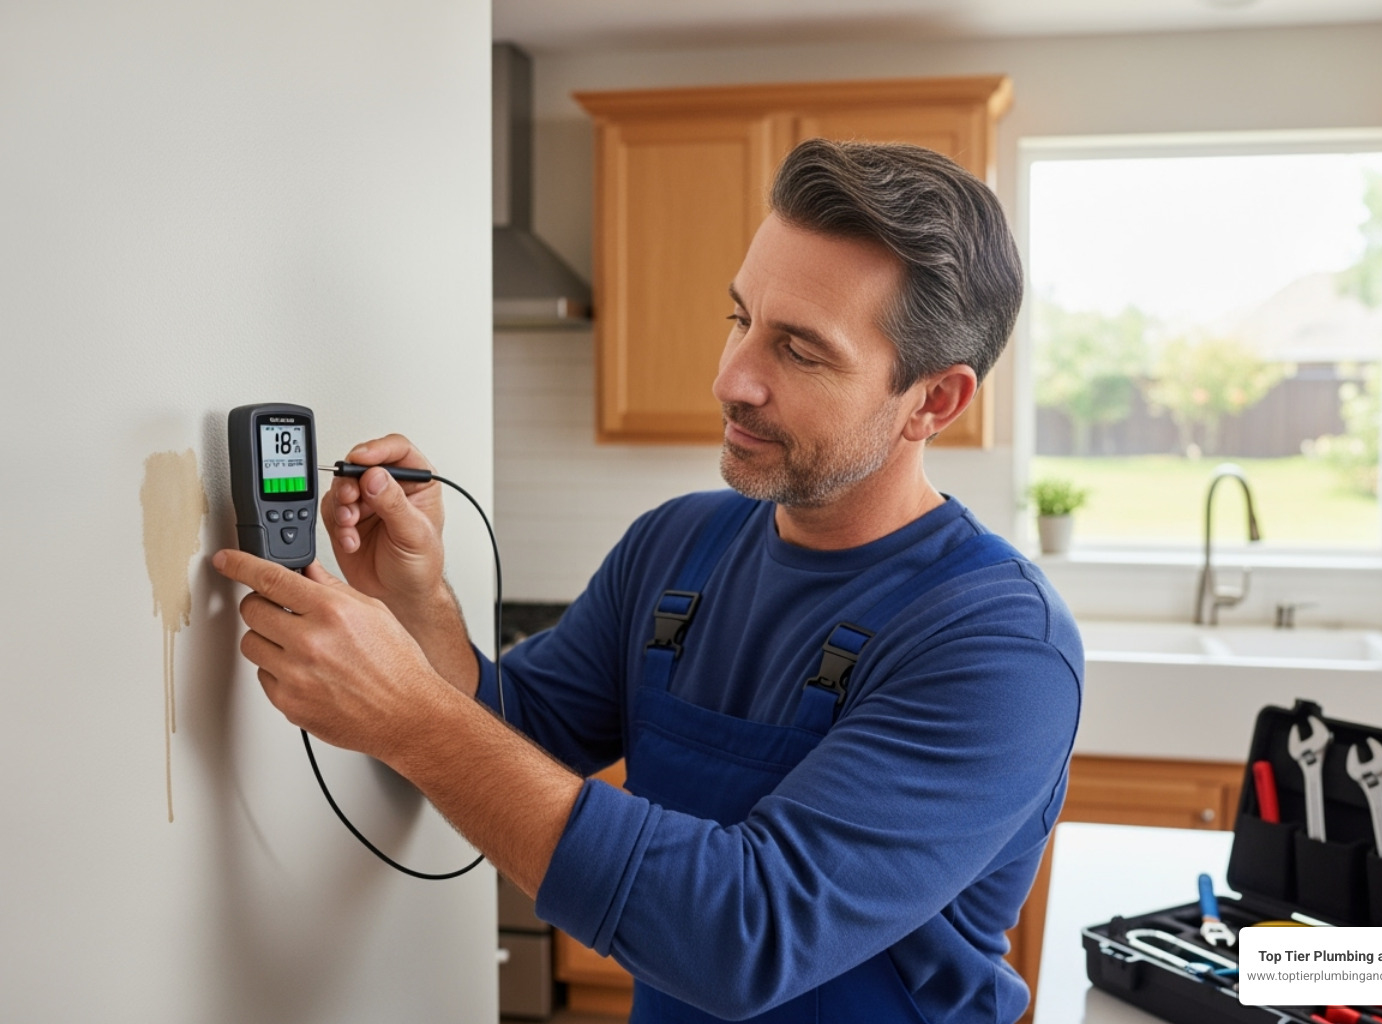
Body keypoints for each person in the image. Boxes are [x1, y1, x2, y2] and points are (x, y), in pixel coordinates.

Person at [213, 138, 1083, 1024]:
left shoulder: (1001, 647)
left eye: (801, 351)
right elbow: (519, 738)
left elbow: (744, 935)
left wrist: (408, 713)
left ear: (933, 402)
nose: (731, 378)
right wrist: (418, 605)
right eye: (741, 318)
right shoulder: (677, 545)